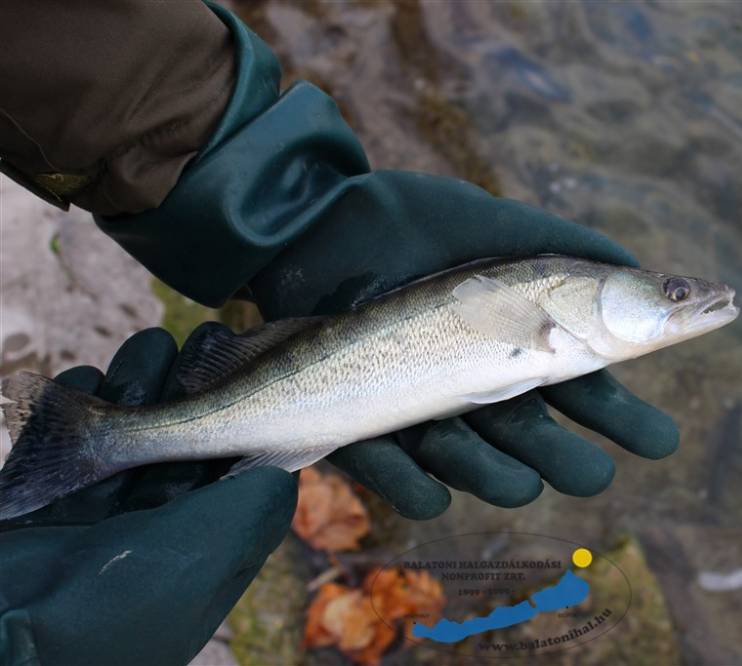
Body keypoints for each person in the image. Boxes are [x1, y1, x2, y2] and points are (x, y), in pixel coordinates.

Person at [0, 3, 680, 664]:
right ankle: (100, 439)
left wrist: (277, 201)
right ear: (580, 297)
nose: (685, 300)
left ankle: (99, 439)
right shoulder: (542, 313)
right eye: (674, 293)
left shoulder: (551, 319)